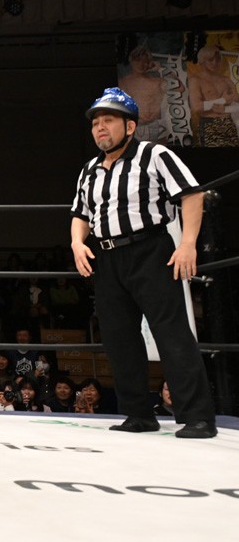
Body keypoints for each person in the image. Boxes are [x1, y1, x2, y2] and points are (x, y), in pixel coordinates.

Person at [70, 86, 216, 439]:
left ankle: (197, 417)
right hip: (106, 258)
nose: (100, 128)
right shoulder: (90, 170)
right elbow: (80, 213)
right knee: (119, 338)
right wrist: (76, 243)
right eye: (95, 123)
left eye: (108, 120)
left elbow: (191, 194)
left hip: (150, 250)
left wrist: (188, 244)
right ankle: (138, 414)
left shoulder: (154, 155)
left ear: (130, 126)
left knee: (171, 332)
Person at [188, 44, 239, 147]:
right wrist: (222, 100)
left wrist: (228, 107)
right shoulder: (195, 80)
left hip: (229, 123)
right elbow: (196, 107)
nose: (215, 63)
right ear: (202, 61)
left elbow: (237, 102)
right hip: (209, 124)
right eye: (210, 60)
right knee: (213, 156)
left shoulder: (226, 80)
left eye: (217, 59)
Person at [117, 45, 170, 144]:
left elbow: (179, 88)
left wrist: (161, 69)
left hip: (156, 127)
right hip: (134, 128)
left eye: (145, 62)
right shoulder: (122, 83)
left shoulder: (157, 81)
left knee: (160, 153)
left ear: (150, 63)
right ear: (131, 61)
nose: (141, 65)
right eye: (138, 61)